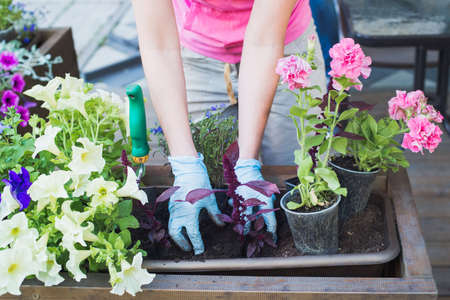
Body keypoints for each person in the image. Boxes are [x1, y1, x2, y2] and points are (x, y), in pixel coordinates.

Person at [131, 0, 326, 255]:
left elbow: (264, 42)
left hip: (283, 44)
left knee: (297, 175)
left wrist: (246, 163)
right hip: (195, 51)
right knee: (207, 185)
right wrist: (186, 165)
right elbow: (158, 44)